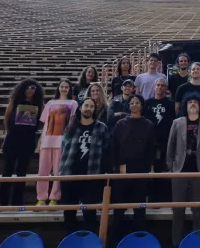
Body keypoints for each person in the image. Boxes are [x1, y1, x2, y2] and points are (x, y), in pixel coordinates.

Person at [166, 91, 200, 248]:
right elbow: (170, 146)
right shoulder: (177, 122)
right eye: (189, 102)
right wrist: (171, 167)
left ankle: (199, 243)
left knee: (199, 212)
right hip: (179, 172)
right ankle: (176, 243)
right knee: (178, 211)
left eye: (196, 102)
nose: (193, 104)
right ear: (185, 105)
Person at [59, 97, 110, 235]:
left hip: (91, 176)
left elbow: (106, 151)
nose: (88, 108)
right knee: (69, 214)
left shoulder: (101, 127)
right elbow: (63, 148)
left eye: (91, 106)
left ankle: (89, 241)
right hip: (70, 175)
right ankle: (70, 240)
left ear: (95, 109)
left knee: (90, 214)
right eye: (86, 105)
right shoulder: (71, 126)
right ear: (80, 108)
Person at [111, 94, 156, 243]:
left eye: (137, 103)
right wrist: (118, 166)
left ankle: (140, 240)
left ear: (141, 106)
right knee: (119, 209)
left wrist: (148, 167)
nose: (134, 105)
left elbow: (151, 148)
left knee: (139, 208)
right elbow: (114, 147)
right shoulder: (120, 124)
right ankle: (116, 241)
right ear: (128, 105)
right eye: (132, 103)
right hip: (123, 170)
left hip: (141, 169)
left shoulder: (148, 124)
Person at [0, 78, 44, 206]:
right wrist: (10, 133)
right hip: (13, 138)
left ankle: (17, 201)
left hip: (28, 139)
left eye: (33, 88)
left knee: (21, 171)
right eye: (28, 87)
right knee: (7, 170)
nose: (30, 90)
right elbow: (6, 119)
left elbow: (41, 121)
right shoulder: (14, 102)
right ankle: (2, 200)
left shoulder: (39, 104)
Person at [36, 78, 78, 206]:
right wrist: (40, 141)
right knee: (43, 170)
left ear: (70, 89)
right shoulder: (50, 103)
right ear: (58, 88)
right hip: (47, 140)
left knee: (58, 170)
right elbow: (45, 124)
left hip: (62, 141)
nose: (64, 89)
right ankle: (41, 198)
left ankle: (54, 197)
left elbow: (73, 124)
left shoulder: (73, 103)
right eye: (62, 86)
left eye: (66, 87)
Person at [144, 77, 177, 202]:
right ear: (154, 86)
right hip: (150, 142)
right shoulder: (147, 103)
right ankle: (152, 199)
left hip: (166, 141)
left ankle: (165, 199)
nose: (160, 87)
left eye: (162, 85)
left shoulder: (171, 104)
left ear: (166, 88)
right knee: (151, 171)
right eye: (158, 85)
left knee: (165, 170)